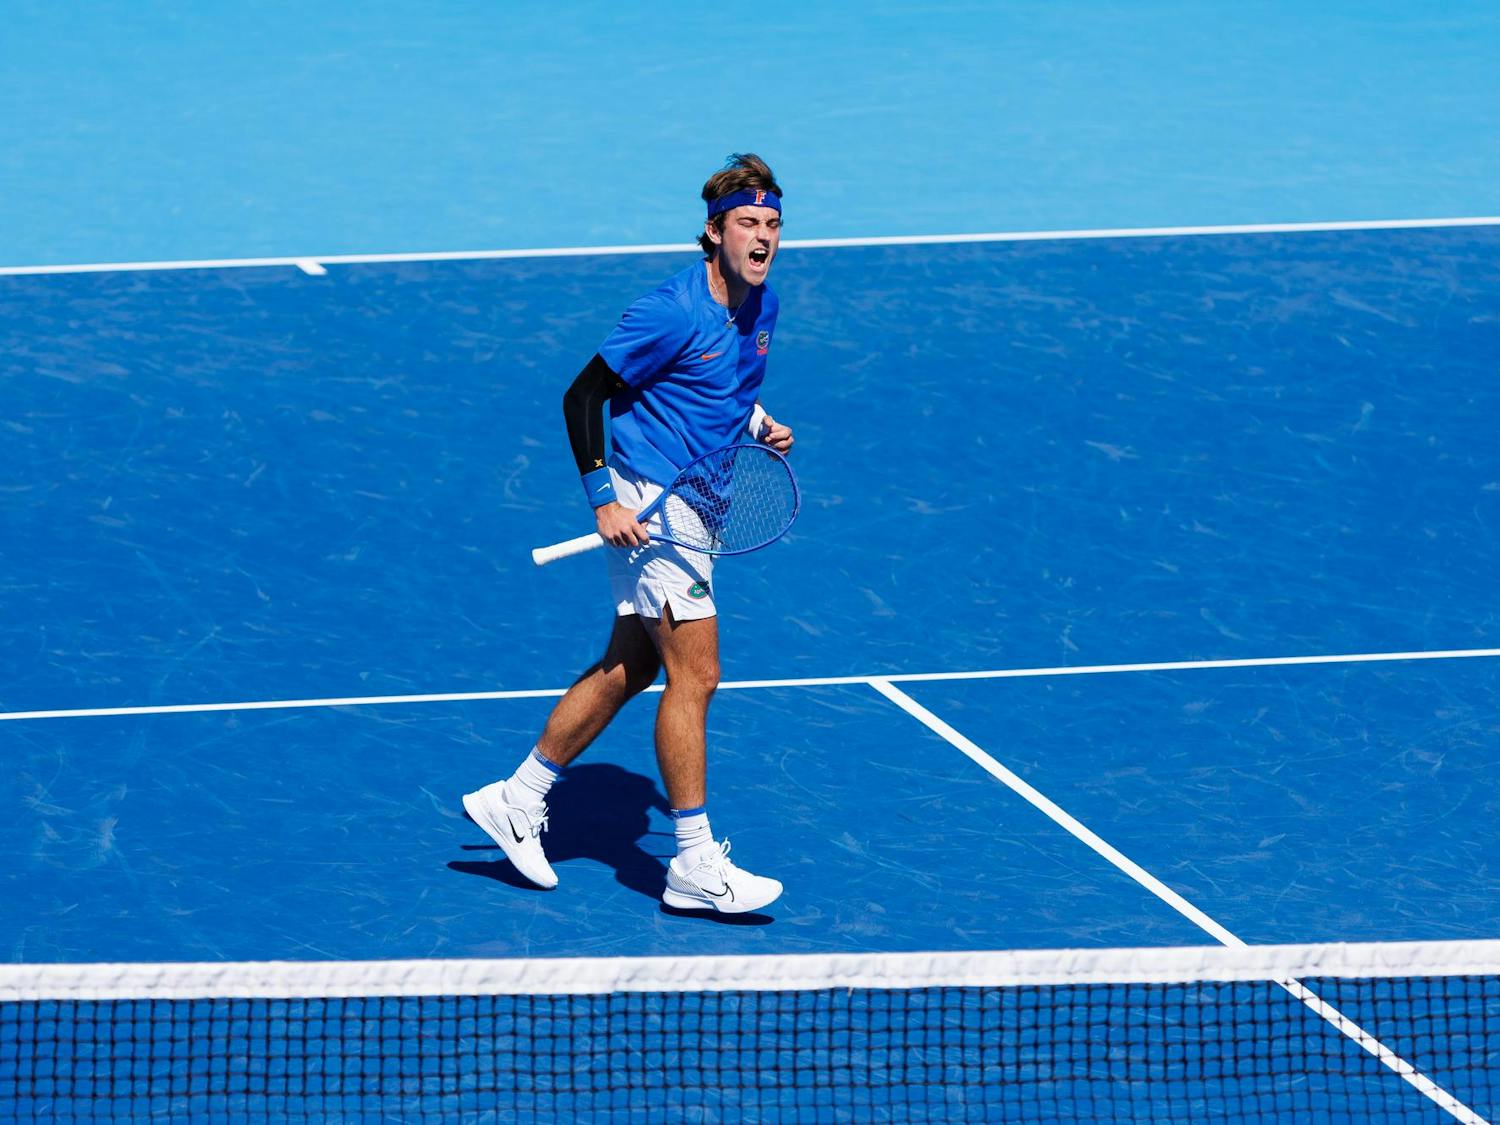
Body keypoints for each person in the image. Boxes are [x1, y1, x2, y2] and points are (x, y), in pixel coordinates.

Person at [463, 154, 795, 914]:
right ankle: (692, 862)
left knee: (633, 665)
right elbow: (583, 395)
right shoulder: (670, 310)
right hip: (654, 502)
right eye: (748, 223)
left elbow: (727, 388)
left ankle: (518, 797)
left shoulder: (761, 306)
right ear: (713, 233)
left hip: (703, 498)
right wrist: (603, 500)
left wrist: (757, 422)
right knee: (698, 675)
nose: (764, 238)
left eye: (773, 225)